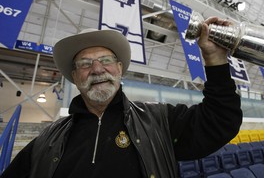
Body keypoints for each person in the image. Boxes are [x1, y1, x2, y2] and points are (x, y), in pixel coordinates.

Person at [0, 17, 242, 178]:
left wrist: (214, 60)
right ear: (74, 76)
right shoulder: (46, 141)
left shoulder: (159, 121)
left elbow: (220, 122)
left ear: (119, 69)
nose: (97, 70)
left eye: (105, 61)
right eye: (85, 64)